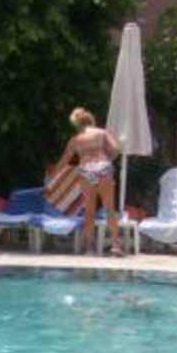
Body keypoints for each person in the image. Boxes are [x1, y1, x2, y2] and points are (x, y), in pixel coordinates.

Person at [59, 108, 121, 255]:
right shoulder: (102, 133)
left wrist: (54, 173)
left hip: (86, 170)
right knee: (109, 208)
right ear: (90, 120)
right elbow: (116, 149)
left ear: (76, 124)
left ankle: (89, 248)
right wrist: (108, 159)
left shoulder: (75, 140)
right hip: (103, 168)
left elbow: (65, 160)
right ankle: (115, 245)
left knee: (89, 210)